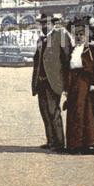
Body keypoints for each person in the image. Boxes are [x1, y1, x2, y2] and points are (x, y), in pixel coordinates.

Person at [64, 18, 94, 155]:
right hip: (74, 83)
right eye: (77, 35)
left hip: (86, 83)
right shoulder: (74, 50)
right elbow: (68, 68)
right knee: (74, 111)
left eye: (82, 35)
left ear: (87, 36)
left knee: (86, 113)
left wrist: (93, 82)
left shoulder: (91, 49)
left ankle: (86, 143)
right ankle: (74, 143)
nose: (79, 37)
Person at [31, 13, 71, 152]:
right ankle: (51, 141)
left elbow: (67, 60)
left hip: (54, 81)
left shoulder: (61, 36)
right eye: (42, 23)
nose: (44, 26)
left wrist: (67, 84)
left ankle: (59, 143)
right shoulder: (41, 40)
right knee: (45, 112)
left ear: (53, 24)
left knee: (54, 112)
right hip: (41, 82)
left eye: (47, 23)